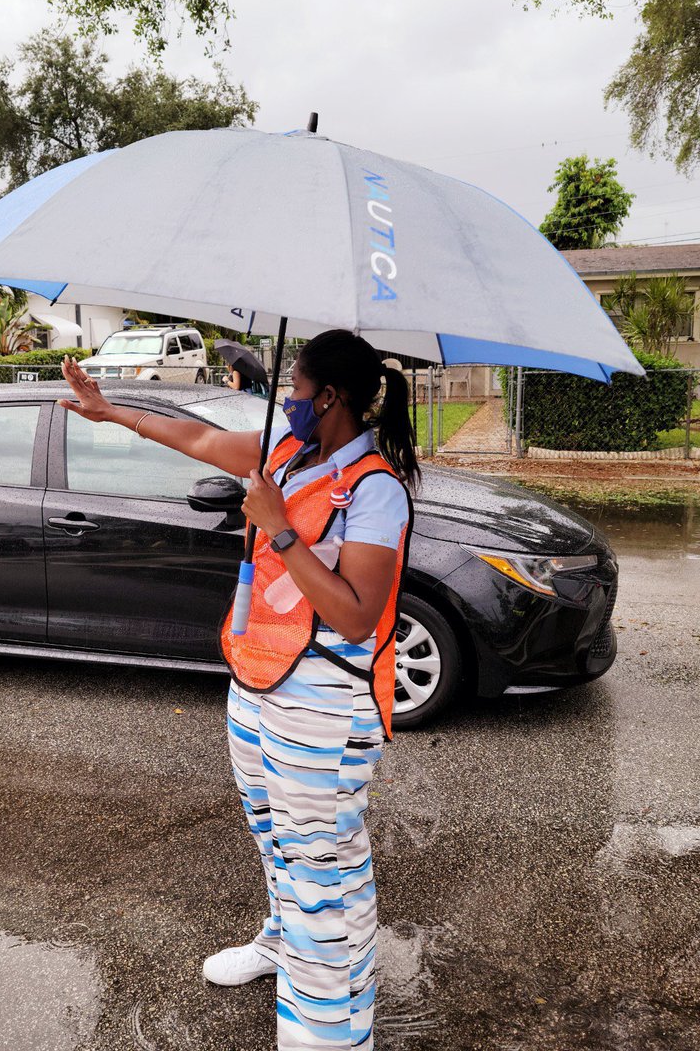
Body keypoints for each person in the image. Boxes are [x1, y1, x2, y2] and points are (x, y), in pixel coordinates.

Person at [60, 329, 419, 1051]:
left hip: (325, 699)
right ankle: (283, 945)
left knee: (322, 859)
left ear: (333, 398)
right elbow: (193, 435)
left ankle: (329, 1031)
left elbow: (354, 614)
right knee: (275, 838)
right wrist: (112, 412)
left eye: (296, 388)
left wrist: (281, 532)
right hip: (257, 682)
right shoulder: (283, 453)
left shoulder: (376, 490)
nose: (287, 398)